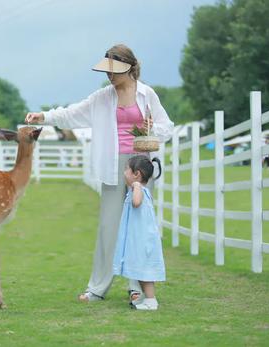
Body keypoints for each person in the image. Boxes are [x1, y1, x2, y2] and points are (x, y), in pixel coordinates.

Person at [25, 44, 174, 303]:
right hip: (113, 166)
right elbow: (72, 114)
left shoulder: (147, 94)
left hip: (141, 165)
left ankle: (136, 287)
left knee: (139, 227)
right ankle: (97, 287)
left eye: (114, 70)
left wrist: (152, 130)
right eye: (107, 71)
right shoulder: (102, 97)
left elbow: (166, 127)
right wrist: (44, 117)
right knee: (108, 227)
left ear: (129, 67)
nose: (110, 76)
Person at [113, 155, 165, 310]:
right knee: (138, 268)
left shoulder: (139, 190)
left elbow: (136, 203)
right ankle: (144, 296)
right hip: (136, 238)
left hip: (143, 240)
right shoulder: (136, 190)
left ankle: (151, 300)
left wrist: (136, 186)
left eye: (126, 170)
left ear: (136, 174)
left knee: (145, 269)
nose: (124, 173)